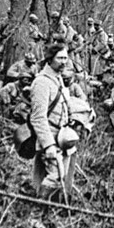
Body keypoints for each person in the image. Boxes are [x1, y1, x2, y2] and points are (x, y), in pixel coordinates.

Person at [30, 43, 76, 199]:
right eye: (60, 58)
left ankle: (53, 212)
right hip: (50, 136)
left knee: (64, 177)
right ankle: (37, 212)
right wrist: (48, 144)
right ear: (50, 59)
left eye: (66, 58)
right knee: (55, 175)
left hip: (62, 136)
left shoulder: (58, 78)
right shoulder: (42, 82)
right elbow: (37, 117)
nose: (64, 62)